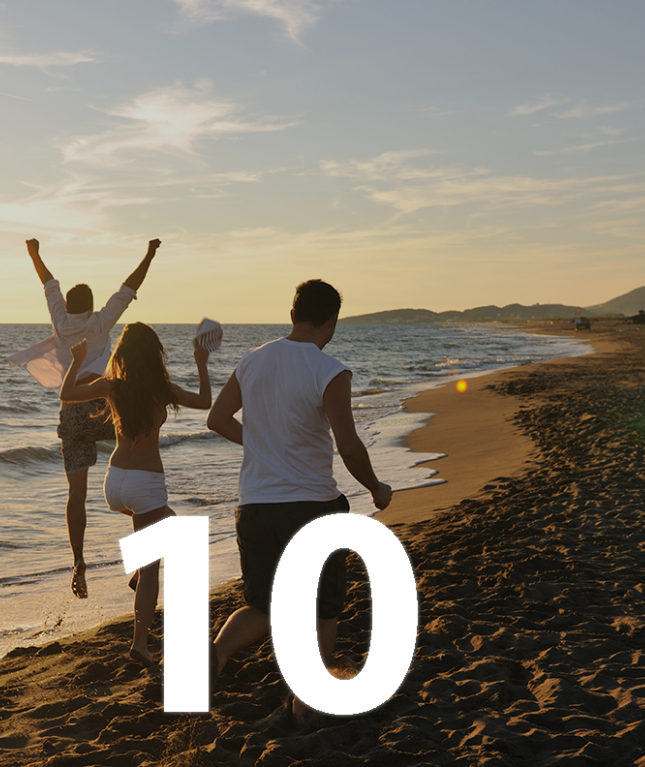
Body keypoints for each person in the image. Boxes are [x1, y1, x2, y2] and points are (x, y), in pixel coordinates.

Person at [206, 279, 392, 722]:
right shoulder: (329, 370)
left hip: (254, 507)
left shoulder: (252, 361)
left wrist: (262, 445)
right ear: (331, 322)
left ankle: (214, 657)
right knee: (325, 607)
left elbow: (216, 418)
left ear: (292, 315)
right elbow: (347, 446)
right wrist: (375, 488)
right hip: (311, 508)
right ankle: (306, 699)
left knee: (262, 606)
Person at [60, 323, 212, 666]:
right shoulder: (161, 389)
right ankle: (140, 644)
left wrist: (78, 360)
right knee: (154, 564)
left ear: (123, 355)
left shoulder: (113, 385)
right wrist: (201, 361)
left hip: (114, 484)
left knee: (173, 528)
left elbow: (66, 394)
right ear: (154, 355)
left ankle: (137, 577)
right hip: (145, 484)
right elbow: (205, 401)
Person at [24, 237, 161, 600]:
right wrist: (149, 254)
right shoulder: (101, 322)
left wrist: (34, 253)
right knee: (133, 467)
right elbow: (129, 288)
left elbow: (47, 282)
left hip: (72, 409)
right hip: (104, 406)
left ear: (68, 305)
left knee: (77, 495)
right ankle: (142, 553)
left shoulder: (58, 317)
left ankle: (78, 560)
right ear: (91, 305)